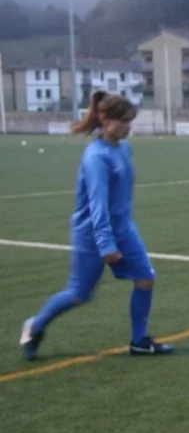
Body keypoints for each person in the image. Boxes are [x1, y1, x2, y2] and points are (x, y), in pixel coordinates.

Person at [19, 91, 174, 361]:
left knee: (146, 279)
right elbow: (97, 205)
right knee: (79, 294)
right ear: (105, 120)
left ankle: (139, 342)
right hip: (93, 234)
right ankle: (34, 327)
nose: (128, 127)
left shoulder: (124, 148)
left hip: (123, 229)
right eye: (123, 121)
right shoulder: (96, 157)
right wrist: (105, 244)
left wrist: (121, 232)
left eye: (130, 121)